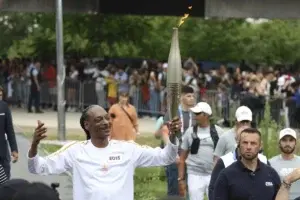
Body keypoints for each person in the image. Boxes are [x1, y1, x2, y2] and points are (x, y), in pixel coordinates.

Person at [27, 105, 181, 200]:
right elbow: (38, 167)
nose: (106, 122)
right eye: (99, 119)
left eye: (107, 118)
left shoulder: (128, 149)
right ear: (87, 125)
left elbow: (167, 157)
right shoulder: (75, 151)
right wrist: (34, 145)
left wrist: (173, 135)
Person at [213, 128, 281, 200]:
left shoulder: (271, 174)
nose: (248, 147)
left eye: (253, 143)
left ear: (260, 146)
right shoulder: (226, 175)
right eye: (245, 143)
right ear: (238, 144)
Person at [178, 102, 223, 200]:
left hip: (213, 174)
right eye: (194, 113)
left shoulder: (219, 132)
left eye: (198, 113)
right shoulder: (189, 132)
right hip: (194, 174)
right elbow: (182, 158)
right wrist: (181, 180)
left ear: (206, 115)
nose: (195, 116)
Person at [163, 85, 196, 197]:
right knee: (174, 189)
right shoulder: (173, 112)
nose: (192, 98)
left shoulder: (195, 114)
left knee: (188, 189)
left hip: (190, 156)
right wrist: (172, 153)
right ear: (181, 97)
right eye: (188, 96)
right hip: (175, 156)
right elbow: (164, 132)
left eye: (193, 96)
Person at [269, 128, 300, 200]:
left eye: (291, 140)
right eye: (284, 140)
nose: (288, 143)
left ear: (295, 142)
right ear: (279, 142)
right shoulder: (270, 163)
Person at [0, 99, 18, 182]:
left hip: (2, 153)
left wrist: (14, 149)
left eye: (0, 95)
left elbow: (9, 129)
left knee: (5, 183)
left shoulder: (4, 107)